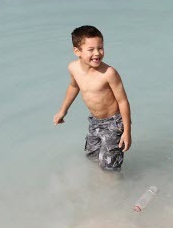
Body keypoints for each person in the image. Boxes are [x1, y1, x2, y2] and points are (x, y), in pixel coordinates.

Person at [53, 25, 132, 171]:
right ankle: (96, 188)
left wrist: (127, 131)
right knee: (92, 156)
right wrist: (63, 110)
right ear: (77, 51)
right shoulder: (73, 68)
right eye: (91, 49)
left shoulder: (109, 73)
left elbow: (123, 101)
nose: (97, 53)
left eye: (100, 48)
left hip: (114, 123)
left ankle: (115, 188)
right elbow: (73, 87)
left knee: (109, 166)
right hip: (94, 121)